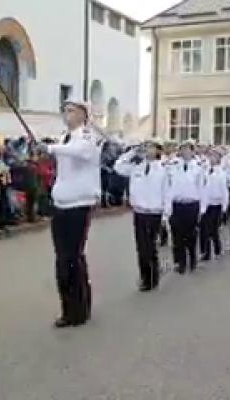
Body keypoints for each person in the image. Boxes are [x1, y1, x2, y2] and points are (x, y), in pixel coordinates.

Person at [38, 97, 101, 328]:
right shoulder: (65, 138)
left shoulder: (86, 137)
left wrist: (51, 148)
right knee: (63, 258)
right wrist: (46, 148)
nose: (67, 113)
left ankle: (78, 310)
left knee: (72, 258)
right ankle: (70, 307)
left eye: (72, 110)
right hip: (62, 205)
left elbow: (80, 152)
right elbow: (64, 152)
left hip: (78, 205)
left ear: (83, 114)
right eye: (65, 110)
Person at [115, 139, 167, 291]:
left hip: (155, 212)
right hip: (139, 212)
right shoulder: (136, 166)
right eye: (145, 147)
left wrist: (165, 215)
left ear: (158, 150)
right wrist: (132, 152)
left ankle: (153, 277)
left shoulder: (164, 168)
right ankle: (145, 276)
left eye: (151, 147)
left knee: (150, 246)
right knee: (141, 246)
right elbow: (118, 167)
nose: (147, 150)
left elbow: (167, 192)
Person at [166, 139, 206, 274]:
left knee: (191, 234)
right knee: (177, 236)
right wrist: (167, 207)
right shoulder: (172, 165)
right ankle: (180, 262)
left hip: (192, 204)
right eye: (183, 149)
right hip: (177, 204)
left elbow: (202, 188)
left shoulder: (199, 166)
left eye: (188, 149)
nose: (185, 152)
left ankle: (192, 258)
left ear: (192, 151)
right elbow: (168, 186)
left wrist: (202, 208)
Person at [199, 148, 229, 262]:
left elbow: (224, 191)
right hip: (205, 204)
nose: (211, 158)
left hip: (216, 204)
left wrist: (224, 206)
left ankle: (217, 249)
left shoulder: (221, 173)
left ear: (219, 159)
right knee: (204, 229)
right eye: (210, 156)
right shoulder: (205, 170)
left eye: (214, 156)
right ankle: (205, 252)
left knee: (213, 229)